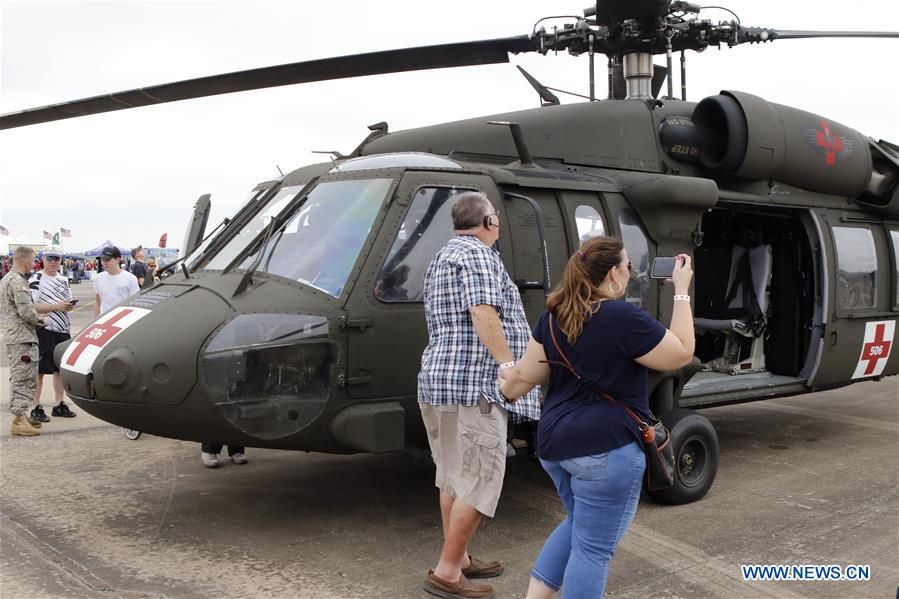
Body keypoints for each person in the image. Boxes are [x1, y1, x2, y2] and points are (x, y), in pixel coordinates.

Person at [500, 237, 695, 598]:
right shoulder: (623, 318)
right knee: (593, 549)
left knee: (579, 526)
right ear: (613, 275)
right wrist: (681, 291)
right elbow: (682, 352)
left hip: (555, 446)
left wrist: (506, 382)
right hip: (606, 449)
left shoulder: (553, 316)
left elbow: (525, 376)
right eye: (628, 266)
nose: (630, 272)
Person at [418, 192, 541, 599]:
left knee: (453, 476)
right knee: (480, 478)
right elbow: (483, 310)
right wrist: (508, 364)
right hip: (477, 387)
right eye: (497, 219)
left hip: (440, 382)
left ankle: (460, 558)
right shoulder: (479, 255)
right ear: (488, 223)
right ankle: (447, 572)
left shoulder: (443, 256)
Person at [1, 246, 47, 436]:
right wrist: (42, 320)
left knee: (19, 375)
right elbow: (26, 311)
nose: (34, 264)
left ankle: (22, 416)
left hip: (16, 335)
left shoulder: (6, 279)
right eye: (33, 260)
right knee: (24, 378)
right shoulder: (18, 281)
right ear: (26, 261)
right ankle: (19, 419)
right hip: (23, 337)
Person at [28, 251, 77, 421]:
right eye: (50, 258)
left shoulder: (63, 279)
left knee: (60, 369)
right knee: (40, 370)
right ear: (43, 260)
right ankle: (35, 407)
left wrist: (68, 306)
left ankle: (59, 404)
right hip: (44, 328)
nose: (53, 262)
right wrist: (57, 306)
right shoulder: (36, 278)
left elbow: (67, 300)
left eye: (57, 259)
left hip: (63, 329)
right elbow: (32, 306)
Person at [93, 246, 139, 316]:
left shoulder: (131, 278)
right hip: (104, 319)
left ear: (117, 259)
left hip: (123, 319)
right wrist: (96, 319)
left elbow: (135, 304)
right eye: (102, 260)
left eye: (107, 260)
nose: (104, 263)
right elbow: (98, 302)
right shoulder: (98, 278)